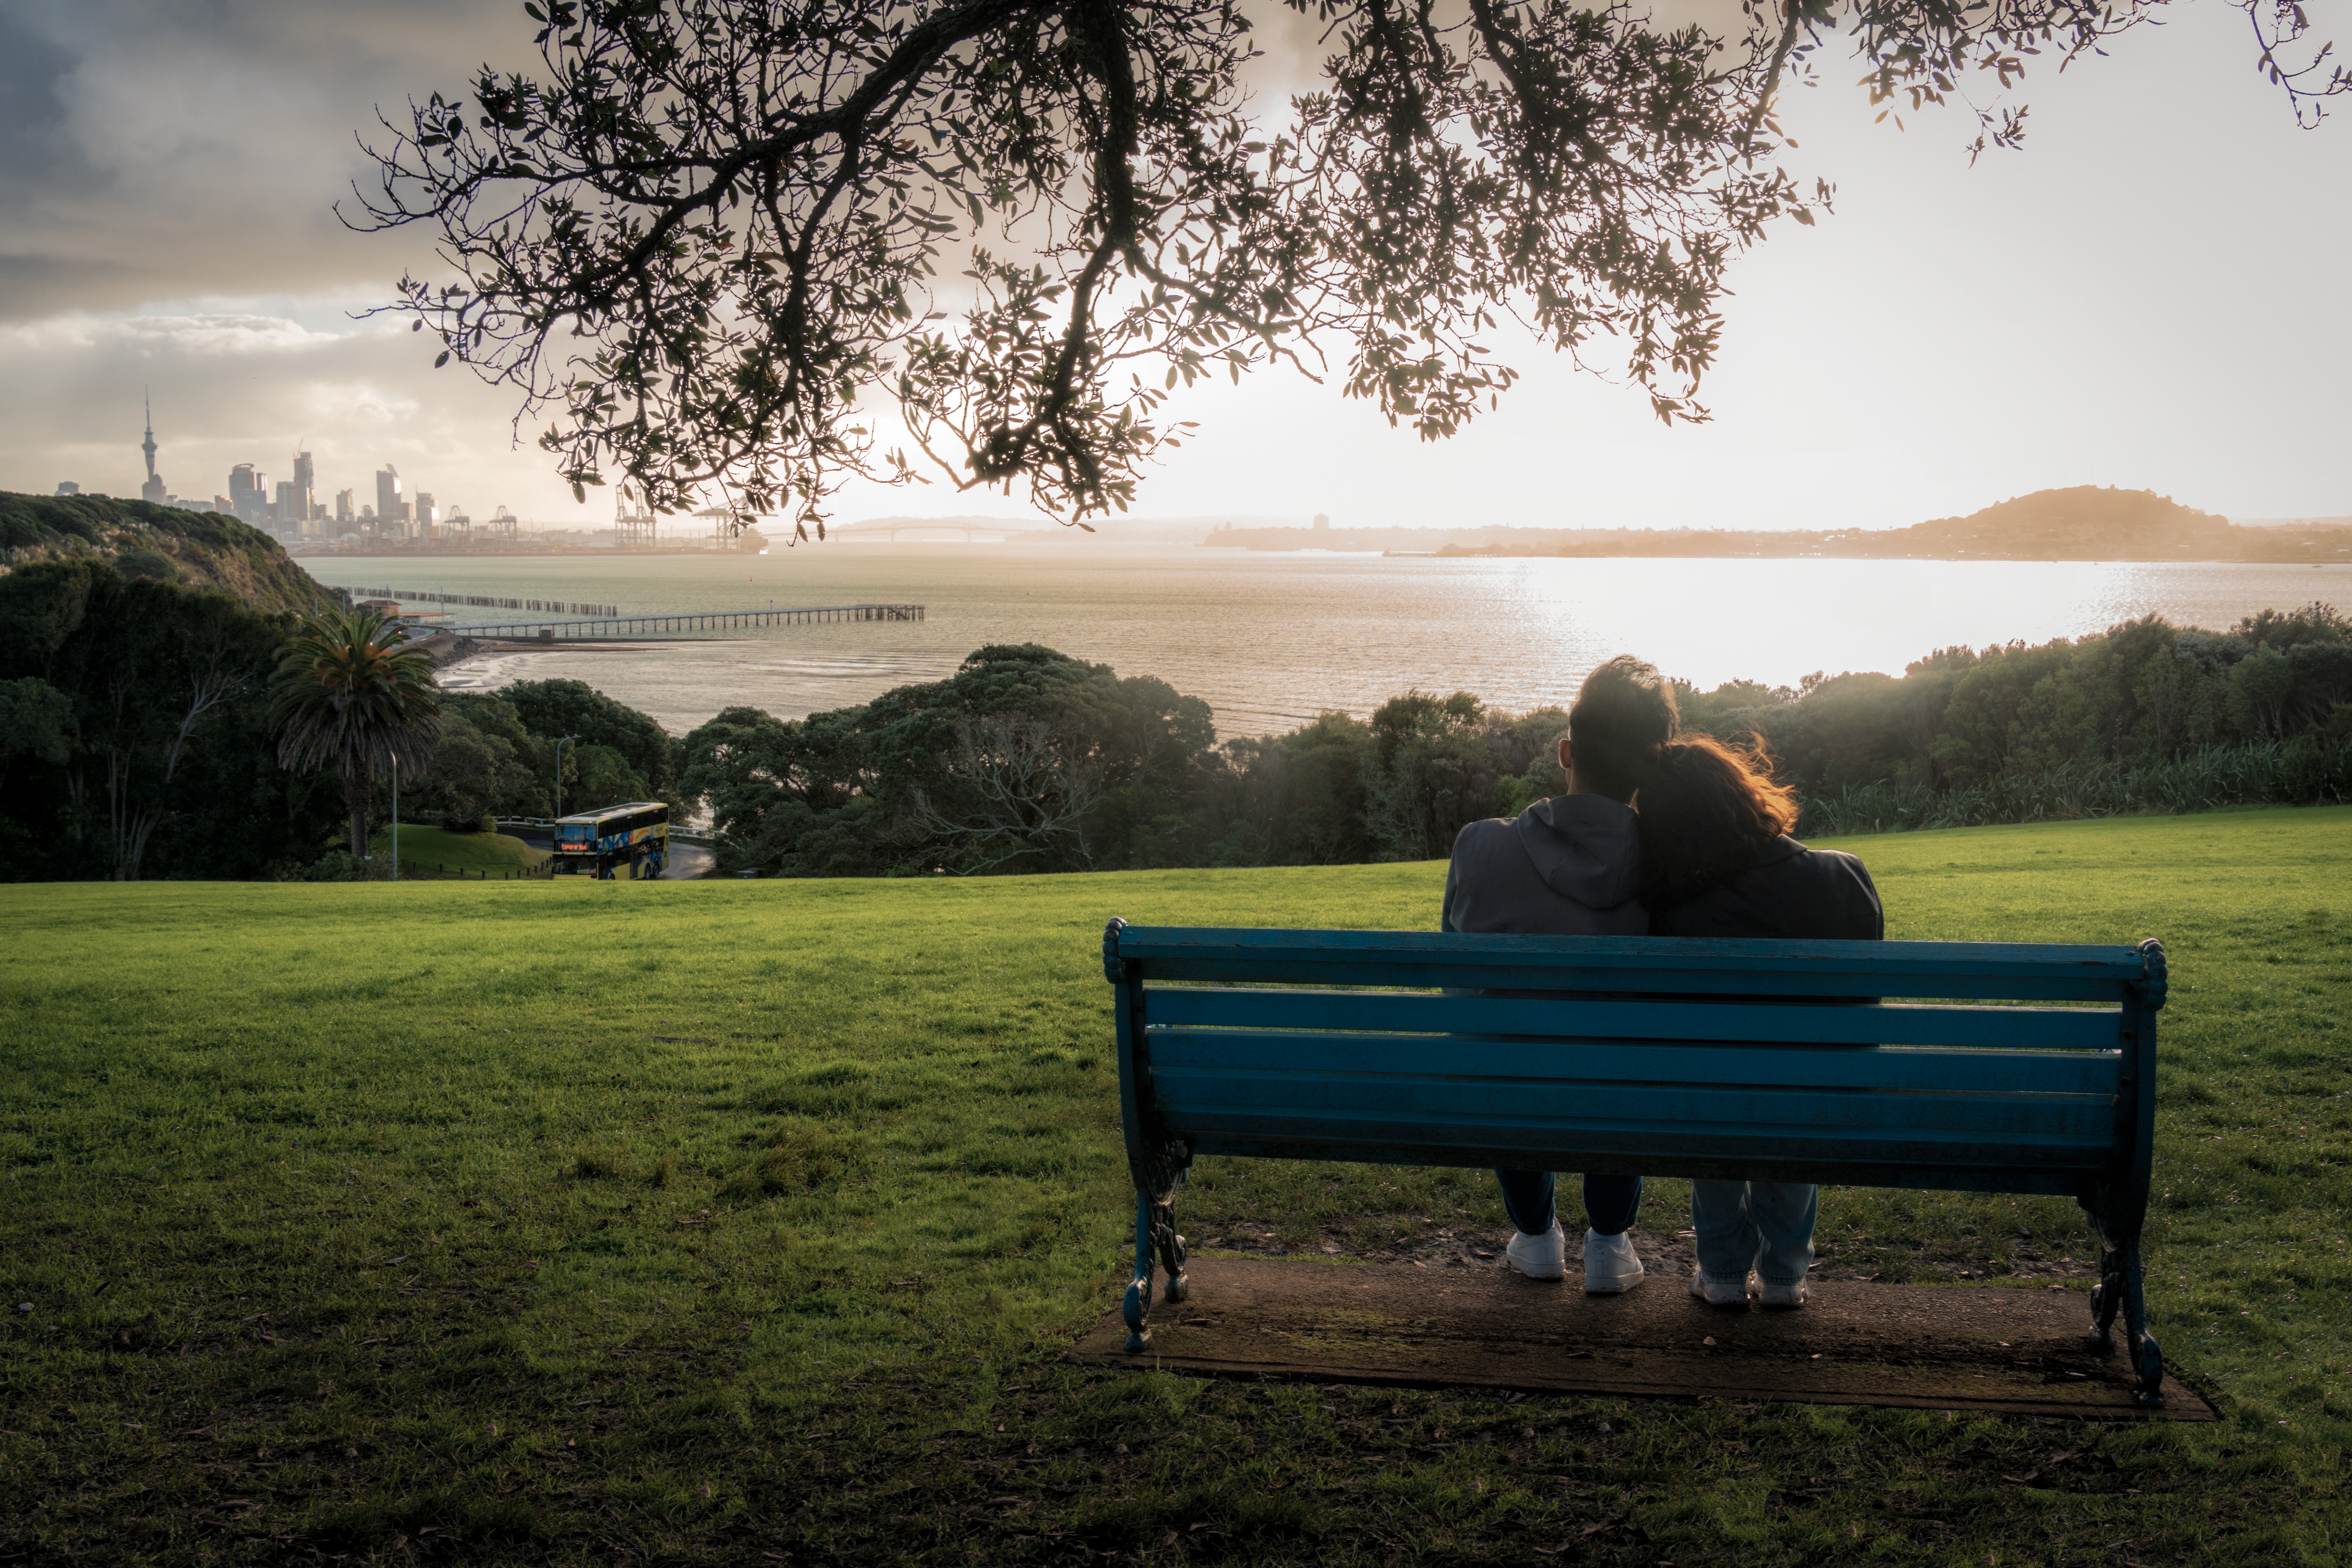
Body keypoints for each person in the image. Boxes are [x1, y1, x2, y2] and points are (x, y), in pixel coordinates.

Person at [1441, 655, 1678, 1292]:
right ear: (1651, 764)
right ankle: (1608, 1241)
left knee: (1497, 1038)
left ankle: (1537, 1235)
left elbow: (1458, 995)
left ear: (1566, 752)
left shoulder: (1480, 846)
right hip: (1623, 1100)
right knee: (1627, 1057)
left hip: (1508, 1090)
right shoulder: (1673, 868)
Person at [1632, 734, 1884, 1308]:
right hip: (1816, 1090)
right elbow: (1861, 1005)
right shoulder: (1843, 877)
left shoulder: (1668, 908)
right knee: (1795, 1080)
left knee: (1712, 1081)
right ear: (1742, 793)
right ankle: (1785, 1272)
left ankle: (1720, 1271)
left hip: (1708, 1096)